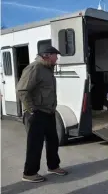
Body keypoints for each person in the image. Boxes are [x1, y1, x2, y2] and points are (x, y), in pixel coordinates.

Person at [16, 46, 68, 183]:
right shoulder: (35, 68)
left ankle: (53, 166)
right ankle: (29, 173)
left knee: (53, 141)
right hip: (37, 113)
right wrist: (32, 110)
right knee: (35, 144)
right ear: (47, 55)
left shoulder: (47, 69)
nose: (57, 58)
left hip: (48, 112)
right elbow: (22, 90)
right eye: (55, 56)